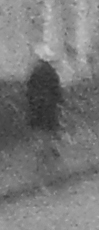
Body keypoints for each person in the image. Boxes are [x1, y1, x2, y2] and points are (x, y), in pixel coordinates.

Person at [24, 46, 63, 185]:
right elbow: (57, 93)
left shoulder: (35, 73)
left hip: (37, 113)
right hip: (49, 112)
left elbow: (29, 93)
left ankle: (42, 170)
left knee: (41, 140)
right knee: (49, 138)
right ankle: (51, 168)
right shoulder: (51, 73)